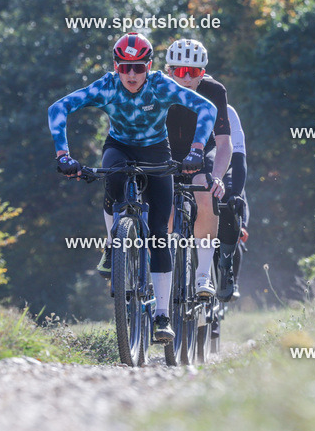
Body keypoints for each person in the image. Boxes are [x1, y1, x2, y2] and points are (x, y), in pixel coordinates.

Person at [48, 32, 217, 343]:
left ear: (149, 66)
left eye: (138, 67)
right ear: (116, 66)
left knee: (158, 235)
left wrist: (196, 149)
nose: (131, 75)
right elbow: (58, 109)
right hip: (120, 147)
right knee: (111, 180)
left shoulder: (162, 84)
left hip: (156, 151)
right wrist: (63, 155)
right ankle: (114, 244)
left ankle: (162, 317)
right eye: (124, 67)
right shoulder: (106, 85)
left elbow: (207, 109)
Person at [163, 38, 232, 298]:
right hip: (166, 152)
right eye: (180, 71)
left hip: (202, 151)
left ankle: (203, 274)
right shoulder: (156, 88)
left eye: (195, 72)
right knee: (164, 208)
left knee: (206, 193)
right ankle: (160, 266)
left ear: (203, 72)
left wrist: (218, 177)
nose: (187, 78)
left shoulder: (214, 90)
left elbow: (225, 142)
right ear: (169, 71)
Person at [220, 103, 248, 300]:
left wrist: (236, 193)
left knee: (231, 198)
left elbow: (239, 160)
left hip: (226, 168)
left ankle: (228, 272)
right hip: (195, 166)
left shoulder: (229, 112)